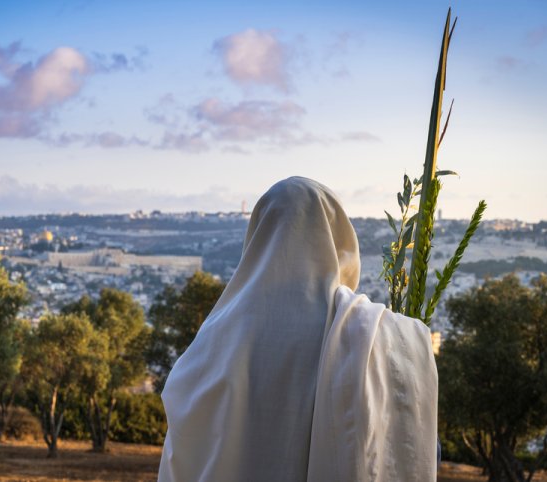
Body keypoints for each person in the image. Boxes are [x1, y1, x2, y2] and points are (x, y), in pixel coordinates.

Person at [157, 177, 438, 482]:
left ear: (258, 236)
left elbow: (184, 436)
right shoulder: (373, 332)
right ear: (340, 238)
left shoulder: (214, 337)